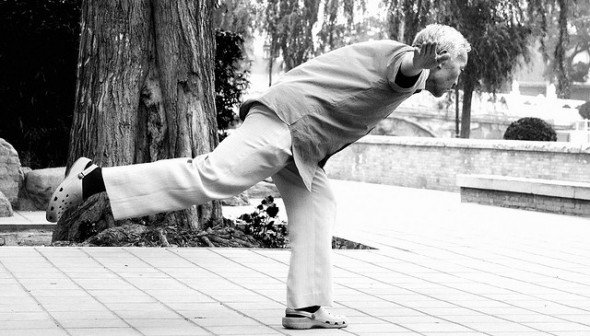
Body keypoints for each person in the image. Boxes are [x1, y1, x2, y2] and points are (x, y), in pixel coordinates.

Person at [47, 24, 470, 329]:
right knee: (213, 176)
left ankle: (305, 307)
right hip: (285, 123)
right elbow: (407, 66)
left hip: (302, 144)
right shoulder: (404, 64)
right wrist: (423, 60)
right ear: (438, 60)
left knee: (319, 206)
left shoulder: (402, 68)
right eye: (457, 70)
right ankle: (94, 178)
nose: (457, 80)